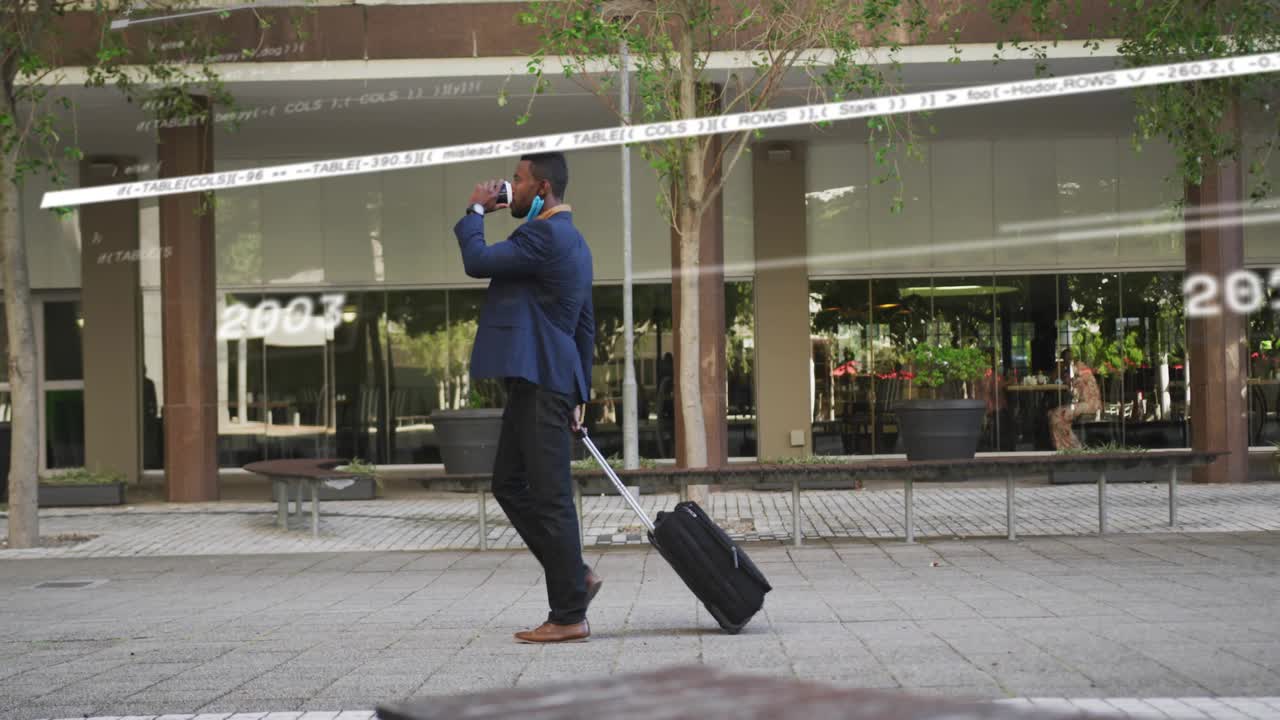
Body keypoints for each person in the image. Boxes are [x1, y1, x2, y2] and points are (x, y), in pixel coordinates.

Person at [454, 152, 601, 644]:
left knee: (551, 495)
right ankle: (574, 575)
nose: (507, 188)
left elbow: (477, 261)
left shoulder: (543, 235)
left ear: (542, 188)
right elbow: (585, 324)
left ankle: (568, 615)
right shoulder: (573, 241)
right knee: (509, 484)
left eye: (516, 180)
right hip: (543, 379)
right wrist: (581, 391)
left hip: (542, 380)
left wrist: (475, 211)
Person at [1048, 349, 1101, 450]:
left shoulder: (1079, 369)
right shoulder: (1072, 369)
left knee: (1056, 416)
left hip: (1089, 404)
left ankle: (1071, 446)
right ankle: (1068, 445)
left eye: (1070, 357)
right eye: (1066, 358)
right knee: (1054, 414)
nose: (1068, 360)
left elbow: (1074, 387)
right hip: (1086, 403)